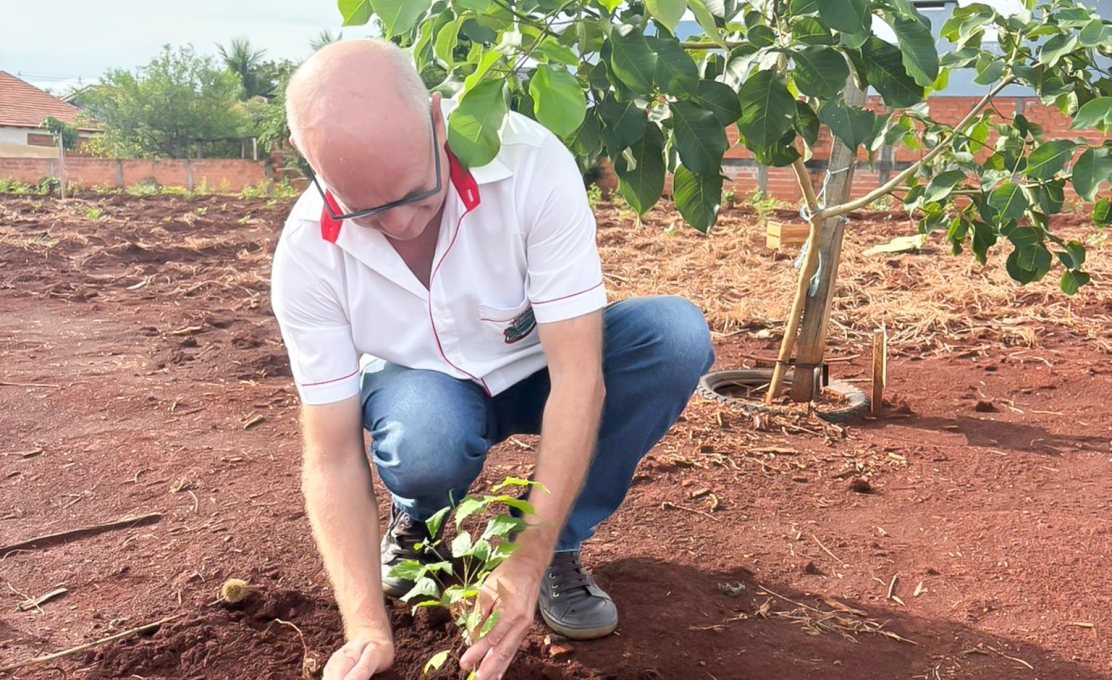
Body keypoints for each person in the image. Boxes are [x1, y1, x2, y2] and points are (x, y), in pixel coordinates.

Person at [271, 38, 715, 680]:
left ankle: (557, 545)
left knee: (673, 335)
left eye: (417, 194)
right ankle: (419, 521)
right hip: (425, 389)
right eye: (366, 211)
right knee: (426, 438)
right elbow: (332, 452)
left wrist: (526, 558)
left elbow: (578, 377)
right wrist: (365, 622)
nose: (401, 227)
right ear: (310, 167)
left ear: (436, 118)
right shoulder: (307, 251)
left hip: (539, 367)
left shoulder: (531, 165)